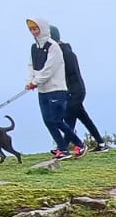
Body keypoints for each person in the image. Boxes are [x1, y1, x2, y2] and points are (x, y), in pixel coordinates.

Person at [24, 17, 84, 160]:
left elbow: (49, 69)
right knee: (48, 121)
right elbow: (32, 66)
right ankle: (62, 149)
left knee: (56, 120)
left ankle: (79, 144)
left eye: (35, 29)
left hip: (56, 90)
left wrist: (35, 82)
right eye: (31, 29)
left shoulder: (53, 47)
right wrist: (29, 81)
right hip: (42, 90)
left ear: (43, 29)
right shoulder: (34, 47)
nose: (33, 32)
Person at [48, 24, 108, 152]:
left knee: (69, 118)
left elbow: (66, 75)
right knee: (83, 118)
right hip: (74, 91)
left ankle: (63, 148)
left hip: (74, 92)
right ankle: (101, 144)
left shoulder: (65, 54)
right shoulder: (63, 52)